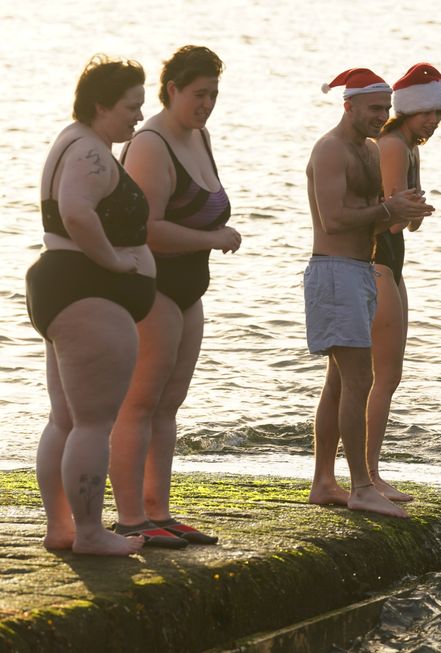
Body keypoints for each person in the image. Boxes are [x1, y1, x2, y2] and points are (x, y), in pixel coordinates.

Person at [108, 46, 240, 548]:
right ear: (172, 90)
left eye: (214, 95)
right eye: (199, 94)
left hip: (190, 287)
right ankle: (130, 517)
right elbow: (147, 229)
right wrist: (212, 237)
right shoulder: (150, 143)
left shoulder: (199, 136)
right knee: (140, 402)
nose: (207, 104)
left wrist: (212, 235)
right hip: (153, 283)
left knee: (170, 404)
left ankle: (158, 511)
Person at [26, 55, 152, 556]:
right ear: (101, 105)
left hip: (64, 287)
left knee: (66, 418)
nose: (138, 117)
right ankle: (91, 532)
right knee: (94, 422)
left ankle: (62, 528)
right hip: (87, 293)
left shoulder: (75, 140)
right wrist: (115, 262)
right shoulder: (88, 152)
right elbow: (77, 212)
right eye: (131, 106)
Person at [305, 68, 433, 517]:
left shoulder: (370, 150)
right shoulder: (330, 149)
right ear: (349, 106)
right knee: (360, 379)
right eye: (375, 108)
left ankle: (324, 482)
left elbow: (373, 218)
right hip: (333, 270)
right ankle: (361, 485)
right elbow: (333, 219)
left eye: (386, 108)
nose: (382, 116)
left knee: (340, 381)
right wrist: (387, 208)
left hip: (360, 271)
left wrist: (403, 213)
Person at [371, 63, 441, 502]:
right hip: (376, 261)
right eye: (427, 113)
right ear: (407, 111)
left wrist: (415, 212)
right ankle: (369, 474)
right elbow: (389, 217)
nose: (434, 121)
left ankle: (369, 471)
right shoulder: (392, 146)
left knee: (389, 375)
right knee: (381, 376)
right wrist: (409, 211)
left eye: (439, 114)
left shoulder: (410, 148)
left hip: (394, 262)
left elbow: (406, 219)